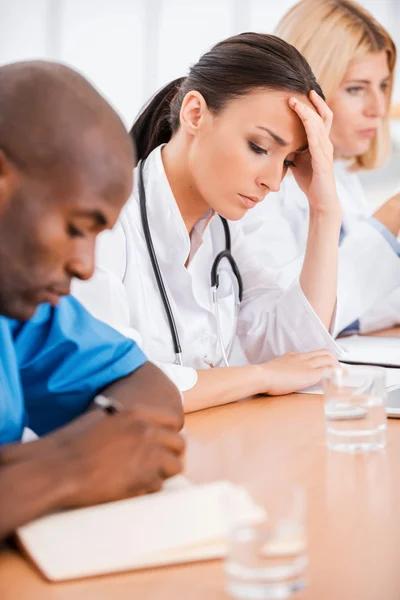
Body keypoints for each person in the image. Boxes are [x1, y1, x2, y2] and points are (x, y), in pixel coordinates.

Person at [73, 32, 342, 414]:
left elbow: (301, 357)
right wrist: (260, 376)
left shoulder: (225, 232)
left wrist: (325, 210)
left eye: (287, 161)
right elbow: (114, 386)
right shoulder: (104, 223)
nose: (275, 181)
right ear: (195, 113)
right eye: (259, 148)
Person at [0, 61, 185, 542]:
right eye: (76, 229)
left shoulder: (18, 311)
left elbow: (149, 389)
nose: (85, 266)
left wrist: (105, 440)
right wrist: (64, 468)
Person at [240, 0, 400, 335]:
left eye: (383, 86)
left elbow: (368, 299)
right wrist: (390, 217)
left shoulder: (342, 173)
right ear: (310, 93)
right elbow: (302, 318)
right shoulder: (259, 187)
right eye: (356, 89)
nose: (379, 107)